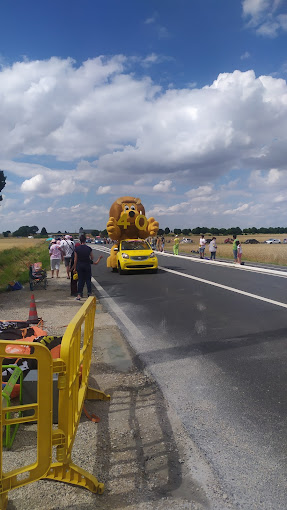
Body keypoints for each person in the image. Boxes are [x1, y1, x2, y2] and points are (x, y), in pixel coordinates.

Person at [73, 234, 103, 300]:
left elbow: (75, 259)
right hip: (87, 265)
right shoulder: (89, 248)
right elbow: (92, 257)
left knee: (80, 280)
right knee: (88, 280)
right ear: (85, 240)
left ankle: (79, 295)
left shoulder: (77, 249)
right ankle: (89, 293)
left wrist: (74, 268)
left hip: (80, 265)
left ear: (80, 240)